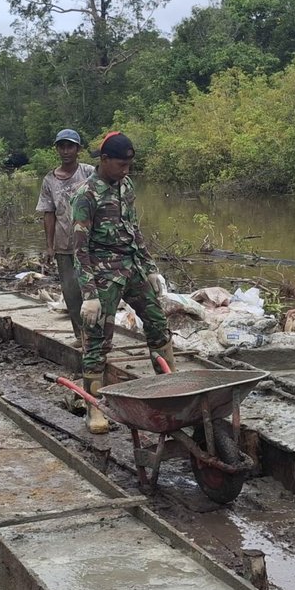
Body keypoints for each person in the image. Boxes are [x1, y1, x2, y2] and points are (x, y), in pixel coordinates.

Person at [70, 132, 172, 436]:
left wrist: (150, 269)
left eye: (129, 165)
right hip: (103, 273)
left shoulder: (126, 185)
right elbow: (79, 248)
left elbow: (134, 229)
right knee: (97, 339)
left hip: (132, 267)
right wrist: (89, 294)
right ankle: (94, 408)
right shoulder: (86, 195)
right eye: (120, 165)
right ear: (104, 160)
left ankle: (169, 392)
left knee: (157, 322)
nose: (125, 170)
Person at [35, 128, 95, 339]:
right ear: (57, 149)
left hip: (91, 243)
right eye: (62, 146)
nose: (66, 151)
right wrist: (49, 246)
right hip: (64, 245)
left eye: (70, 146)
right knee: (71, 293)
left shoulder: (88, 172)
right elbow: (49, 214)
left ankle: (97, 336)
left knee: (94, 291)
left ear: (78, 149)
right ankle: (81, 336)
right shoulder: (49, 180)